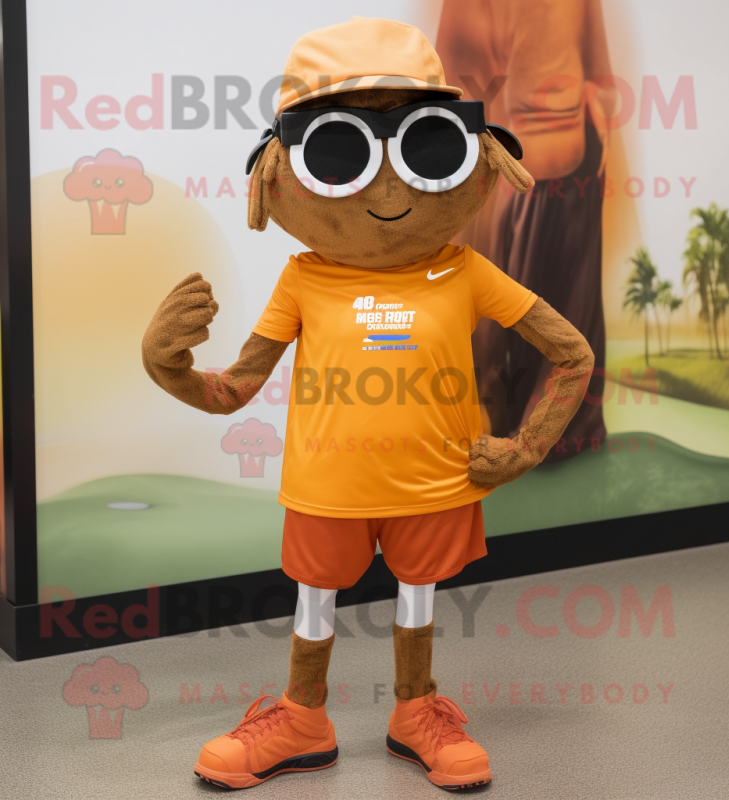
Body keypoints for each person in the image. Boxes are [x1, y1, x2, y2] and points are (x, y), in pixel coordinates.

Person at [142, 17, 593, 791]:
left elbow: (571, 353)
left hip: (436, 486)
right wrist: (170, 367)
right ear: (279, 166)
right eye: (339, 151)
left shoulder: (465, 270)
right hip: (327, 489)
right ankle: (301, 716)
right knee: (313, 601)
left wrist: (524, 448)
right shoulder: (304, 279)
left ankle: (416, 711)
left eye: (427, 145)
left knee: (419, 599)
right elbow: (236, 388)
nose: (387, 182)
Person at [437, 0, 613, 459]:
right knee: (527, 306)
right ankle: (531, 425)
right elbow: (455, 77)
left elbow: (596, 70)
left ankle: (550, 429)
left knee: (546, 308)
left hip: (552, 156)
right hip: (524, 160)